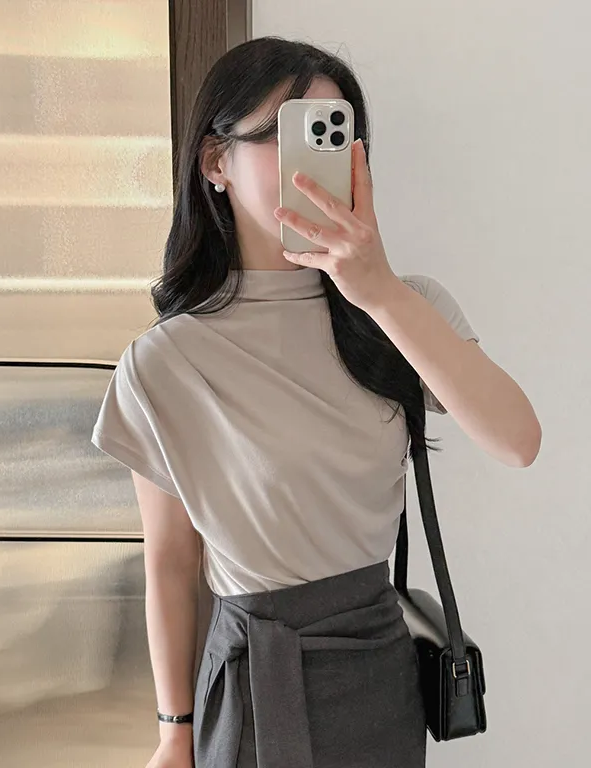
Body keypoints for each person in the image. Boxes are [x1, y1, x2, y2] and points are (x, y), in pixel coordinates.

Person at [91, 35, 541, 768]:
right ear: (215, 162)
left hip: (378, 670)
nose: (316, 159)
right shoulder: (166, 361)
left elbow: (518, 441)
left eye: (334, 135)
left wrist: (378, 289)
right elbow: (171, 561)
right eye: (287, 133)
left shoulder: (406, 308)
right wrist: (174, 732)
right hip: (252, 680)